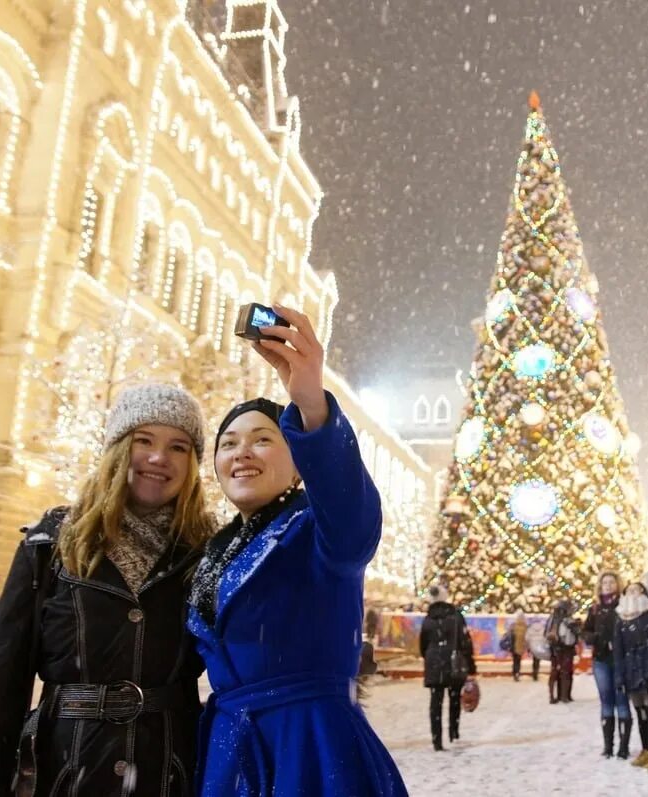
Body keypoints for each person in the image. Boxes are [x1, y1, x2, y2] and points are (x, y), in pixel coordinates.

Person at [0, 383, 215, 796]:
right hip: (65, 767)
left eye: (179, 446)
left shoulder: (206, 550)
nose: (159, 458)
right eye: (144, 440)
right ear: (118, 447)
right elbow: (3, 677)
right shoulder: (52, 541)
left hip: (169, 770)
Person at [187, 304, 407, 795]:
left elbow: (351, 510)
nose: (242, 452)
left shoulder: (320, 531)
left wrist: (310, 401)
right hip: (228, 751)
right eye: (229, 443)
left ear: (299, 459)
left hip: (310, 750)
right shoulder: (213, 553)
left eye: (263, 440)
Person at [613, 581, 648, 771]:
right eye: (630, 589)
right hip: (630, 671)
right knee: (640, 712)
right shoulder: (620, 618)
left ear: (643, 592)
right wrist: (619, 676)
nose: (633, 592)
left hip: (647, 669)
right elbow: (617, 649)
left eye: (638, 589)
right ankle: (645, 751)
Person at [419, 584, 476, 751]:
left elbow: (423, 644)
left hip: (434, 664)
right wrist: (471, 666)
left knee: (435, 703)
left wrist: (431, 657)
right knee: (454, 699)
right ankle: (454, 732)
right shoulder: (456, 616)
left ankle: (436, 740)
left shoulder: (428, 618)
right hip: (454, 664)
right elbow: (465, 642)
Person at [582, 572, 631, 758]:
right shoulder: (595, 609)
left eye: (611, 582)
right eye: (605, 583)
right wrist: (595, 638)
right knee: (606, 701)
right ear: (600, 586)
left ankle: (623, 748)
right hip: (601, 660)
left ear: (617, 585)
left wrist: (618, 642)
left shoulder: (625, 606)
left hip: (621, 661)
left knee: (622, 701)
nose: (608, 585)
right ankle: (608, 746)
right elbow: (585, 631)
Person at [545, 598, 579, 704]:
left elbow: (546, 633)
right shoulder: (568, 620)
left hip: (555, 648)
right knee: (566, 672)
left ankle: (554, 696)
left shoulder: (552, 619)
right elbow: (576, 634)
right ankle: (565, 696)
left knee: (555, 671)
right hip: (565, 649)